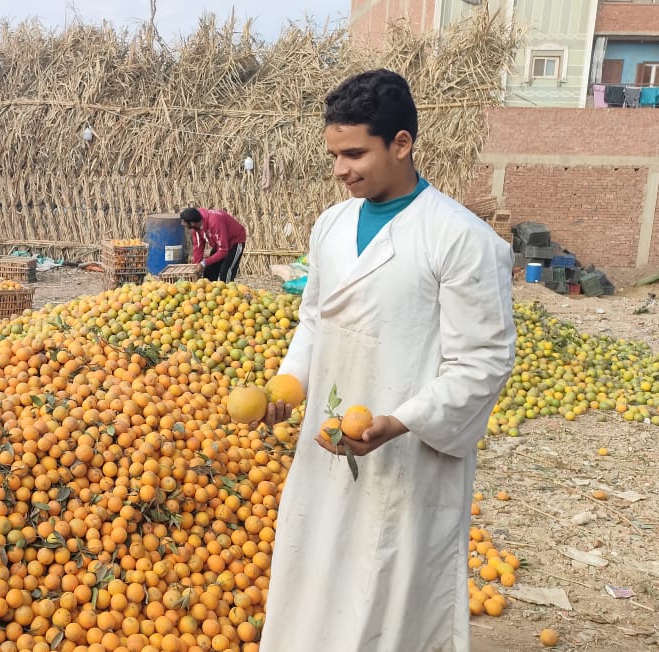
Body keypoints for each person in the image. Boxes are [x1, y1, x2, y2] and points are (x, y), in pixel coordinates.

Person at [258, 69, 516, 652]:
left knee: (388, 589)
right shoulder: (332, 224)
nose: (340, 170)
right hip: (327, 440)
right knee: (314, 571)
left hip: (406, 451)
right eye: (333, 154)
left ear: (401, 143)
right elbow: (316, 319)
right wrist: (289, 383)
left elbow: (484, 360)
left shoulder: (459, 237)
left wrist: (398, 422)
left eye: (355, 153)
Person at [179, 207, 247, 282]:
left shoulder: (214, 222)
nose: (182, 224)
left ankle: (226, 291)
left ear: (192, 223)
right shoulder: (196, 227)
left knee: (225, 274)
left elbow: (223, 250)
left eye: (184, 222)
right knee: (208, 273)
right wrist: (196, 266)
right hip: (219, 244)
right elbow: (198, 247)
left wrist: (204, 263)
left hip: (235, 241)